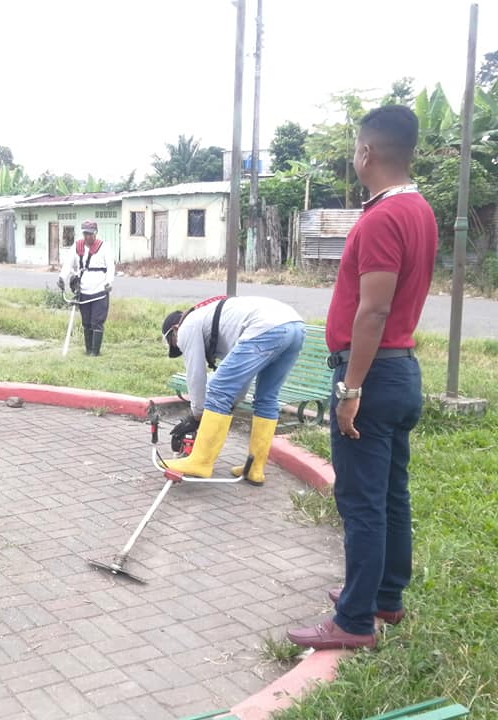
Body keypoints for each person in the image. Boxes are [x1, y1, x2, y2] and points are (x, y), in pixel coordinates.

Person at [287, 105, 437, 651]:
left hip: (371, 376)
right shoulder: (420, 209)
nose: (355, 156)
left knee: (361, 502)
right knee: (391, 493)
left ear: (367, 152)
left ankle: (353, 621)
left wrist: (350, 389)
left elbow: (373, 311)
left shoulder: (380, 219)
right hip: (401, 371)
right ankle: (385, 597)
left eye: (355, 148)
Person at [161, 296, 305, 485]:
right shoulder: (216, 323)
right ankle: (255, 468)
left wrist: (196, 416)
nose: (178, 345)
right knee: (267, 398)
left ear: (175, 329)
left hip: (266, 326)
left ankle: (200, 462)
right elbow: (239, 382)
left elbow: (196, 376)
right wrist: (223, 408)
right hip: (295, 326)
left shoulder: (187, 326)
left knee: (218, 388)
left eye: (174, 342)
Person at [57, 220, 114, 356]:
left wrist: (109, 282)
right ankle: (88, 350)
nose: (87, 237)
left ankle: (95, 352)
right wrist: (62, 278)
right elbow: (68, 264)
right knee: (86, 322)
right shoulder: (77, 247)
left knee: (97, 322)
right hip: (84, 291)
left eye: (90, 234)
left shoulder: (104, 247)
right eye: (85, 234)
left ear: (95, 233)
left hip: (100, 291)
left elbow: (111, 267)